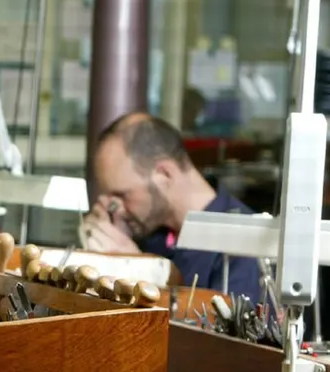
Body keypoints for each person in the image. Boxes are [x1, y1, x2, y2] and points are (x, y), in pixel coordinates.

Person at [83, 112, 262, 301]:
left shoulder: (242, 248)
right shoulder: (152, 235)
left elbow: (219, 327)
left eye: (122, 195)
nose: (115, 208)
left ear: (164, 174)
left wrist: (138, 269)